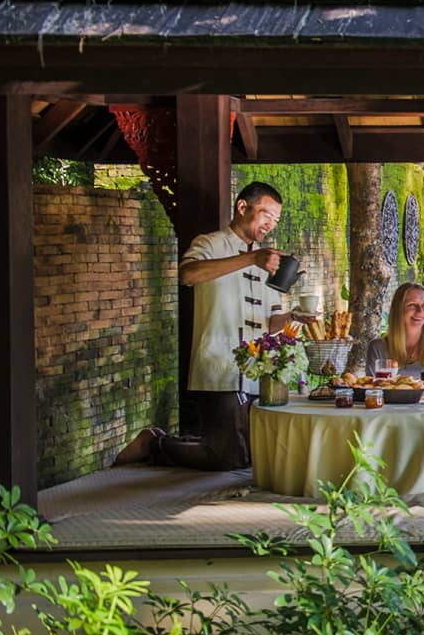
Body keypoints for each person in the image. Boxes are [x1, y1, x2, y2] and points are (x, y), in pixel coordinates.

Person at [114, 181, 296, 470]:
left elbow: (271, 322)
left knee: (253, 453)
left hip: (256, 370)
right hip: (218, 365)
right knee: (229, 456)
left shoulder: (268, 262)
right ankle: (155, 443)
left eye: (276, 219)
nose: (270, 224)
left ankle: (170, 443)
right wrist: (251, 258)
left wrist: (295, 317)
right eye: (266, 214)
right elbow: (187, 275)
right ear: (242, 207)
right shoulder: (210, 244)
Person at [365, 282, 424, 379]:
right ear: (398, 309)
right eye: (412, 305)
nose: (420, 311)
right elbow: (371, 386)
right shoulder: (378, 348)